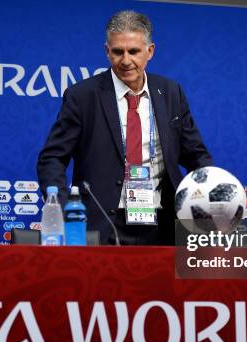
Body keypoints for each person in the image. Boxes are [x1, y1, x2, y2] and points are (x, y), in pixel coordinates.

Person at [37, 10, 213, 245]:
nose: (126, 60)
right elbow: (52, 158)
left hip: (164, 224)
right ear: (107, 51)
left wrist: (216, 190)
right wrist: (61, 210)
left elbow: (196, 156)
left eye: (134, 51)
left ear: (150, 51)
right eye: (118, 52)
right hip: (103, 223)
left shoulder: (171, 92)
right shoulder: (83, 96)